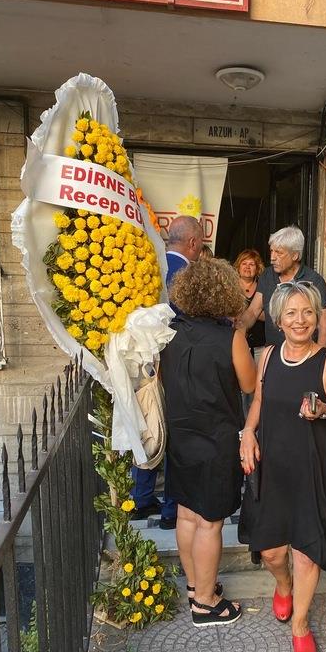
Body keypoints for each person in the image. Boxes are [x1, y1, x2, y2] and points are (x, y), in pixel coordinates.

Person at [240, 281, 326, 652]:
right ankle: (283, 585)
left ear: (316, 317)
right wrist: (248, 432)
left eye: (307, 312)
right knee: (272, 552)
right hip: (273, 469)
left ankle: (300, 624)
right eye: (291, 313)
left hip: (312, 471)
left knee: (306, 552)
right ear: (279, 320)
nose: (300, 320)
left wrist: (324, 410)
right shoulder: (269, 356)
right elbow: (259, 399)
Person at [162, 259, 256, 626]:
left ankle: (195, 586)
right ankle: (205, 603)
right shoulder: (230, 338)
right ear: (225, 293)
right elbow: (248, 384)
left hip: (181, 435)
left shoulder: (169, 332)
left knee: (187, 514)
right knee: (210, 522)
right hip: (216, 439)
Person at [130, 215, 204, 529]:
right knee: (176, 436)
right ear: (193, 242)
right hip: (179, 368)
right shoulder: (189, 275)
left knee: (149, 427)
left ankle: (141, 498)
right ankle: (172, 510)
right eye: (201, 243)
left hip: (145, 365)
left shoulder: (148, 266)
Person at [238, 226, 326, 348]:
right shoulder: (267, 275)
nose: (272, 258)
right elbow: (253, 311)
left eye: (279, 253)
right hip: (273, 352)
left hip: (305, 353)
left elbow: (324, 327)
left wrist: (320, 358)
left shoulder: (315, 281)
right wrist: (240, 329)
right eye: (272, 251)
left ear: (295, 255)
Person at [234, 248, 266, 359]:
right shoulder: (230, 287)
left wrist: (251, 313)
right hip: (236, 343)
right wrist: (257, 310)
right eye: (244, 263)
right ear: (238, 267)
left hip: (260, 345)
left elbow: (270, 315)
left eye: (251, 264)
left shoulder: (263, 288)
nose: (247, 267)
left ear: (257, 269)